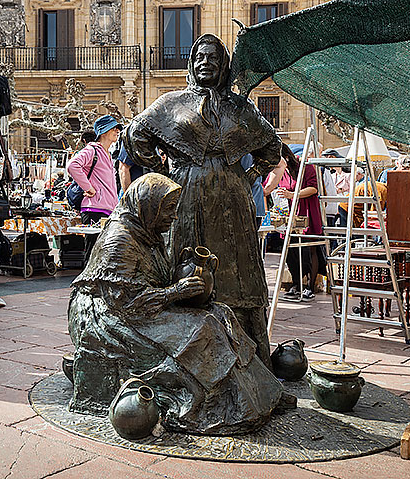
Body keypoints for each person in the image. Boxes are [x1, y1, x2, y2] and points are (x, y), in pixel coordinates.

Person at [68, 173, 282, 434]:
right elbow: (125, 303)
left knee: (220, 313)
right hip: (106, 316)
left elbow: (151, 282)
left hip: (141, 305)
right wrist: (175, 292)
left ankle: (255, 395)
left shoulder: (148, 231)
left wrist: (185, 274)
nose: (174, 217)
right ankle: (215, 404)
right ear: (149, 206)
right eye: (168, 209)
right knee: (203, 327)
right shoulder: (120, 240)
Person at [123, 34, 281, 367]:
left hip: (233, 200)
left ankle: (249, 356)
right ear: (191, 64)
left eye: (213, 57)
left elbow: (271, 146)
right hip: (186, 192)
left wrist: (252, 177)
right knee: (185, 262)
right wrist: (159, 168)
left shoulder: (241, 107)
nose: (205, 62)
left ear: (224, 66)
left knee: (238, 272)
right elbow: (136, 134)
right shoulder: (172, 102)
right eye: (199, 57)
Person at [266, 144, 326, 301]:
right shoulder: (279, 171)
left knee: (310, 250)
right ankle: (297, 284)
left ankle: (309, 287)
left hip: (307, 212)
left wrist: (292, 194)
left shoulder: (305, 166)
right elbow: (268, 187)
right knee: (290, 251)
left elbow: (314, 188)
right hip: (290, 215)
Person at [67, 115, 121, 262]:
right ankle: (86, 285)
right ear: (103, 131)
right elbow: (72, 165)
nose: (117, 131)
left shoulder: (108, 154)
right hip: (94, 210)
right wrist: (88, 187)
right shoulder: (92, 150)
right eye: (114, 128)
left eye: (117, 128)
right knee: (93, 256)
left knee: (104, 255)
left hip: (107, 211)